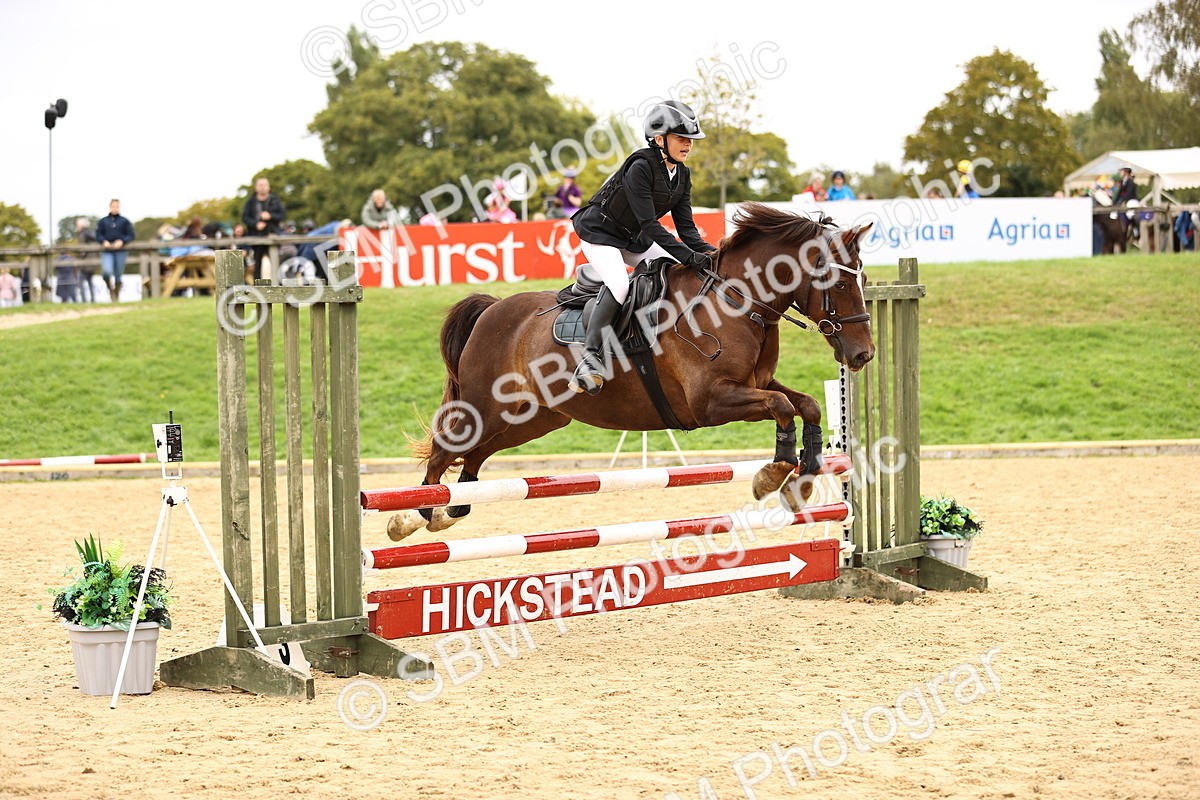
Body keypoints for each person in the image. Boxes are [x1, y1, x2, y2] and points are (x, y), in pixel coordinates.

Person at [569, 99, 717, 395]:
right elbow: (651, 224)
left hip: (633, 237)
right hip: (600, 233)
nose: (688, 145)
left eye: (691, 140)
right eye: (681, 138)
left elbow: (686, 228)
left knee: (675, 272)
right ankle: (589, 358)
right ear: (659, 139)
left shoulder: (682, 175)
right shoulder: (640, 166)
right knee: (621, 285)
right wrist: (689, 256)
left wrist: (711, 255)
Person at [240, 177, 286, 280]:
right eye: (260, 185)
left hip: (273, 236)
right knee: (257, 263)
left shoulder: (275, 200)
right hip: (256, 237)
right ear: (256, 187)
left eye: (264, 185)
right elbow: (245, 218)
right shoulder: (250, 202)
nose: (262, 187)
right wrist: (256, 224)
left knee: (276, 262)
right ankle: (257, 286)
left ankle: (278, 285)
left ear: (268, 187)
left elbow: (282, 215)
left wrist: (270, 216)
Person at [96, 199, 134, 302]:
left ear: (119, 207)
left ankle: (115, 296)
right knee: (106, 272)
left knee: (118, 275)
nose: (115, 208)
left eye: (117, 206)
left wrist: (122, 241)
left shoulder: (124, 221)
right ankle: (110, 289)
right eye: (113, 206)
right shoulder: (103, 221)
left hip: (121, 251)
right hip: (107, 251)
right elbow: (98, 234)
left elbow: (131, 235)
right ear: (110, 207)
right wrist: (103, 241)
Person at [73, 217, 98, 302]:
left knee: (80, 282)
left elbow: (82, 251)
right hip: (93, 263)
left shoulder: (82, 235)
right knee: (90, 282)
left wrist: (79, 258)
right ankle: (93, 300)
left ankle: (84, 301)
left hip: (85, 264)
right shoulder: (93, 234)